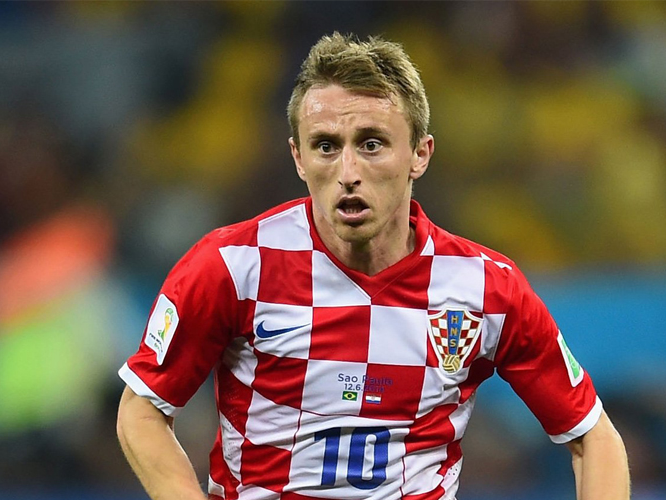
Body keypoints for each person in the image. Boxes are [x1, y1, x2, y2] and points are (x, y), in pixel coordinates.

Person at [116, 32, 630, 500]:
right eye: (325, 146)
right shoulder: (233, 265)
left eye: (371, 144)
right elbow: (141, 410)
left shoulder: (486, 288)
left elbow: (593, 437)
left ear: (420, 154)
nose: (348, 172)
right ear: (298, 158)